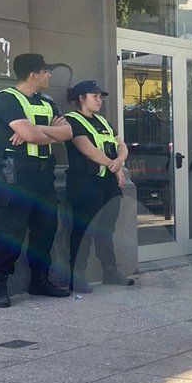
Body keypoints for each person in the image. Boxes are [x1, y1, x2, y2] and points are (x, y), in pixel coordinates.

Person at [0, 53, 74, 307]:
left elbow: (68, 132)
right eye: (46, 71)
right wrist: (40, 133)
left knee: (45, 229)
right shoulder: (7, 98)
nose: (49, 75)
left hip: (43, 175)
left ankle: (39, 281)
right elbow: (30, 135)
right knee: (11, 231)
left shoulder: (46, 101)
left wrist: (39, 131)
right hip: (15, 175)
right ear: (33, 74)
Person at [63, 80, 134, 293]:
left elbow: (121, 145)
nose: (99, 100)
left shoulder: (103, 121)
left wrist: (119, 161)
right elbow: (88, 150)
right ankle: (76, 276)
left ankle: (110, 272)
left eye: (100, 96)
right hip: (85, 183)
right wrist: (115, 166)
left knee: (106, 229)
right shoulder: (71, 120)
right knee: (83, 229)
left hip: (108, 184)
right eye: (94, 96)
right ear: (81, 98)